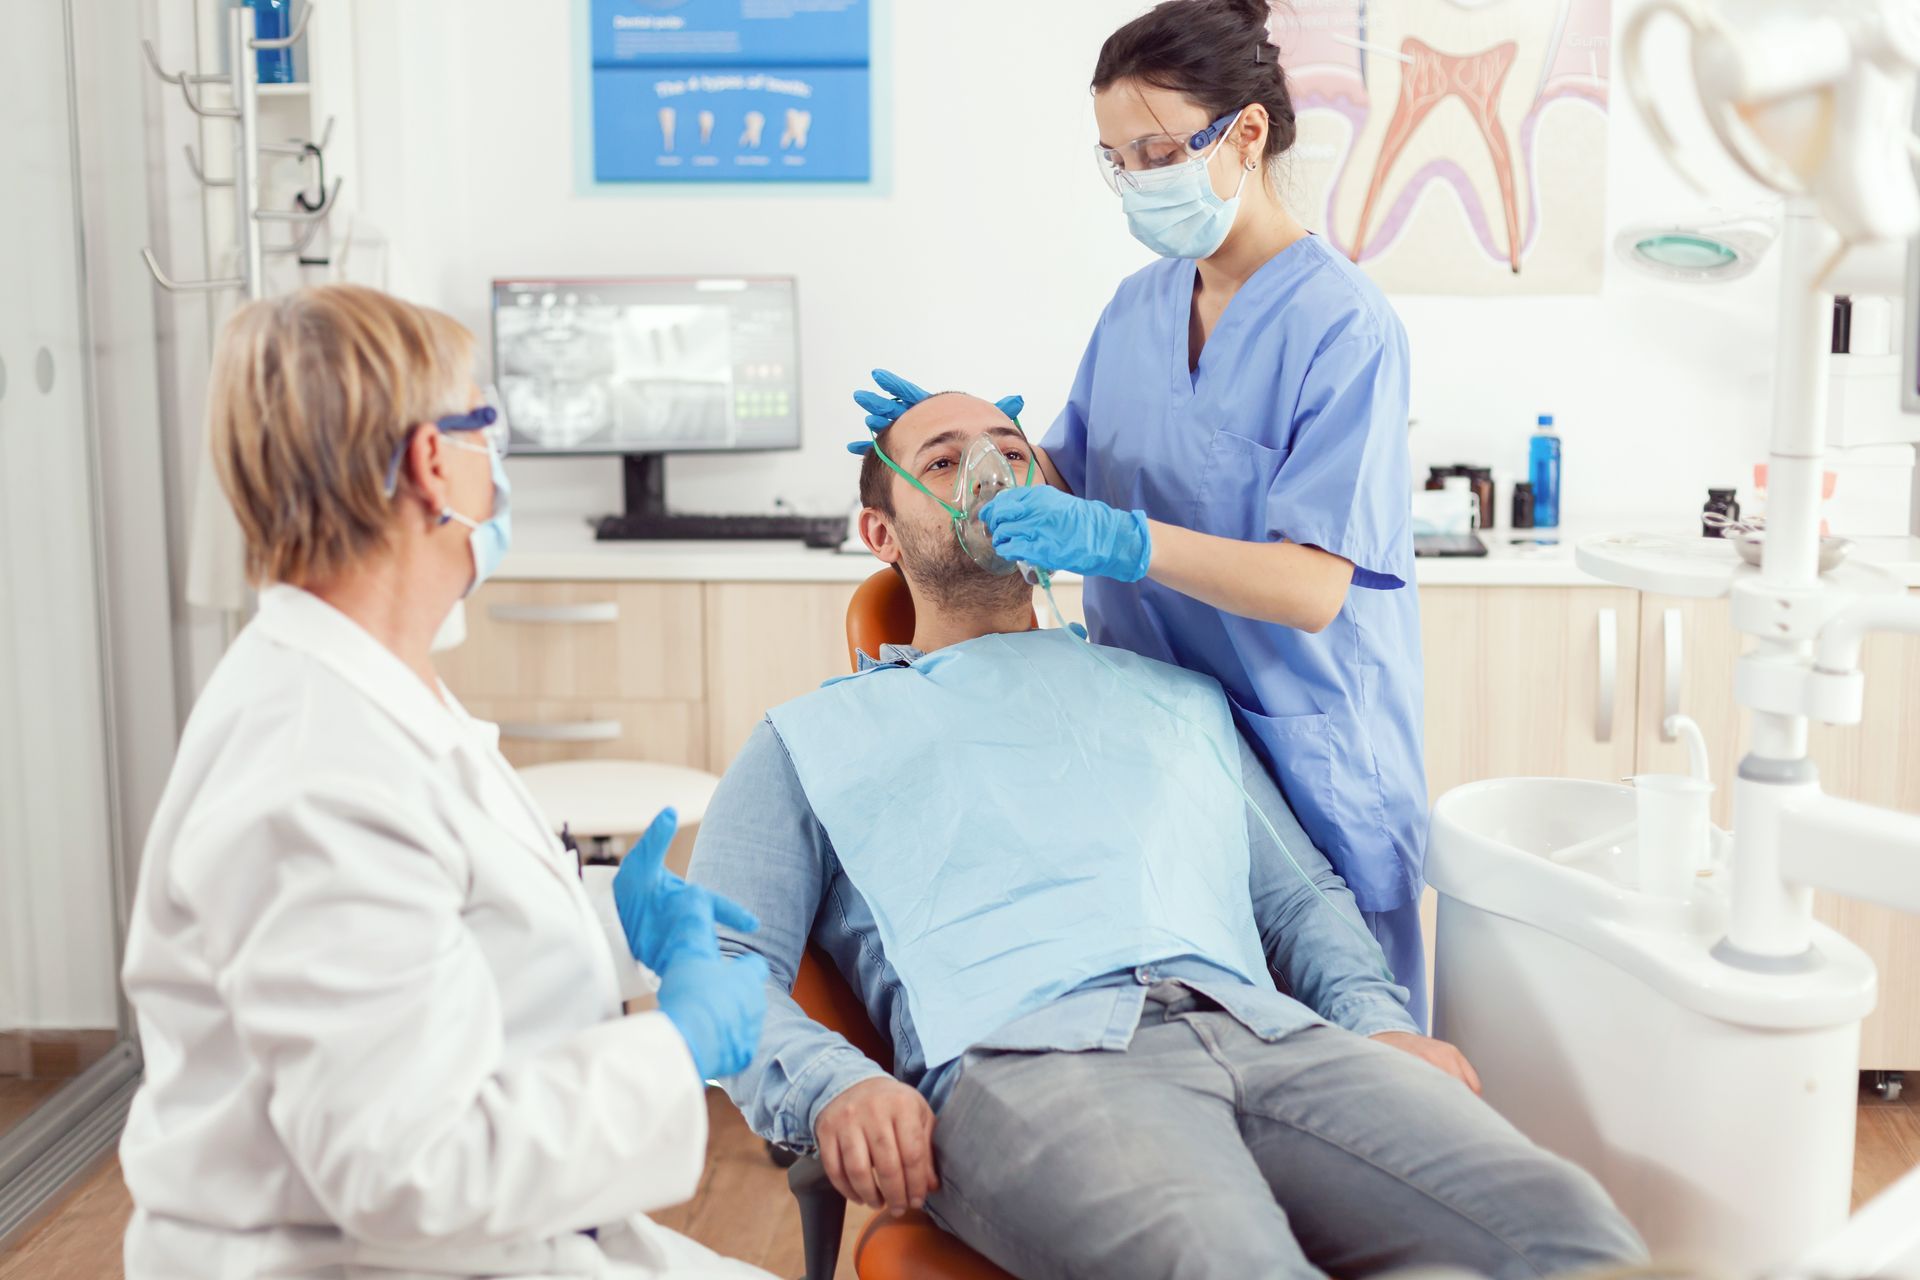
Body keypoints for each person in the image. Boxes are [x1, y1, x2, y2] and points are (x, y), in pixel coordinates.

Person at [686, 391, 1644, 1280]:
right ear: (880, 533)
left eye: (1012, 453)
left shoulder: (1175, 698)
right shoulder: (811, 740)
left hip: (1270, 1036)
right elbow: (713, 955)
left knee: (1569, 1227)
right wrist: (831, 1085)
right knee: (1228, 1261)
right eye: (944, 462)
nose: (989, 473)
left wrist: (1379, 1022)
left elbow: (1301, 900)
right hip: (1031, 1067)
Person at [118, 284, 773, 1280]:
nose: (493, 462)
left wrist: (608, 935)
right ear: (434, 461)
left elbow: (431, 945)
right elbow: (409, 1167)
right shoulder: (315, 772)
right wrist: (678, 1046)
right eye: (485, 424)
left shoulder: (362, 682)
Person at [972, 0, 1431, 1024]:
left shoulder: (1342, 327)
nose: (1137, 179)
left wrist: (1123, 542)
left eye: (1157, 148)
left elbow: (1312, 588)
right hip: (1160, 758)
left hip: (1307, 759)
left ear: (1247, 134)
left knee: (1356, 1073)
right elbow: (1071, 472)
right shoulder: (1138, 308)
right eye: (1116, 157)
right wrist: (965, 438)